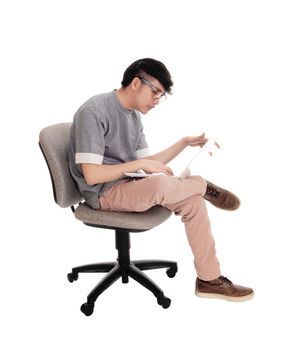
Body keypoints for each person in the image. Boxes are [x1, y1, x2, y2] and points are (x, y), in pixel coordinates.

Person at [68, 58, 254, 302]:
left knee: (193, 202)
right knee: (164, 184)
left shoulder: (133, 117)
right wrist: (140, 166)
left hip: (128, 185)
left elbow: (149, 163)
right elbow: (92, 175)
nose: (156, 100)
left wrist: (183, 143)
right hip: (102, 193)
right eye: (155, 92)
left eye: (161, 95)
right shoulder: (94, 110)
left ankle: (209, 279)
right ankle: (202, 184)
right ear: (136, 83)